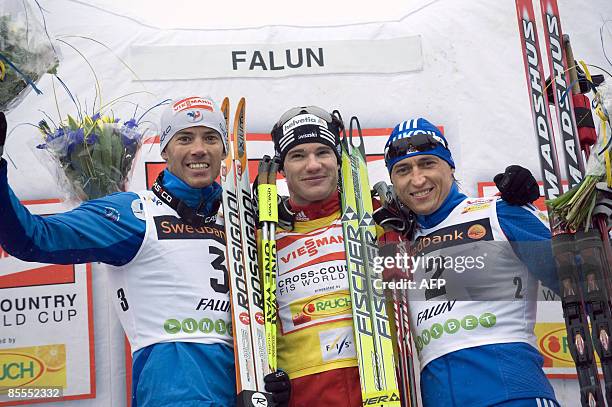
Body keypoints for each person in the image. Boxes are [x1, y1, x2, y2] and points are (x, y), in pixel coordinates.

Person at [0, 97, 287, 407]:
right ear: (164, 149)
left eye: (210, 138)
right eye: (185, 138)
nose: (199, 149)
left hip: (242, 389)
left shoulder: (240, 218)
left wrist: (276, 379)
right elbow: (31, 238)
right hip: (174, 393)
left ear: (224, 149)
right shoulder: (133, 213)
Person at [267, 107, 540, 407]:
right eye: (297, 156)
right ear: (282, 166)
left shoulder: (387, 221)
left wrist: (522, 206)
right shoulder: (265, 237)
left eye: (323, 152)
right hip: (312, 397)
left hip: (392, 392)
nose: (313, 165)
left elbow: (573, 273)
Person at [383, 117, 560, 407]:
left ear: (450, 167)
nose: (417, 179)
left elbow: (578, 277)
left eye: (428, 164)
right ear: (393, 181)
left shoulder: (498, 213)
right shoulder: (398, 243)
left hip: (514, 395)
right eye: (403, 170)